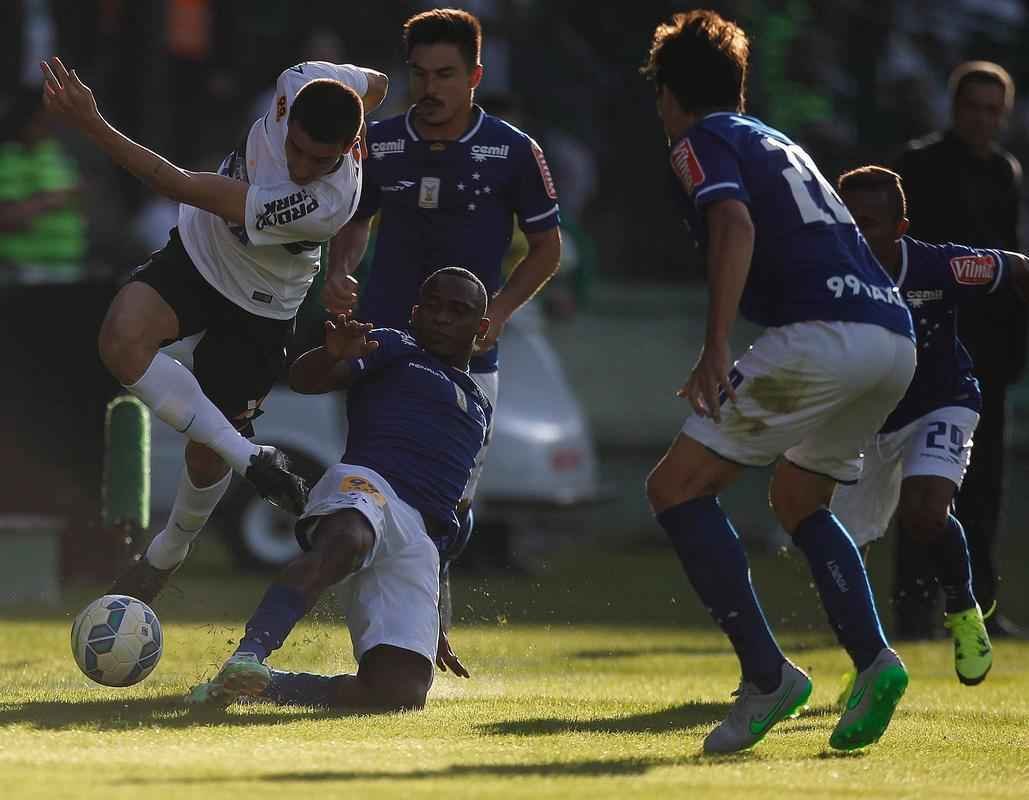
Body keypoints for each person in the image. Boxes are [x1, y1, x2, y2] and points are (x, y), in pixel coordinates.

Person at [640, 11, 917, 754]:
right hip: (891, 336)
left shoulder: (700, 140)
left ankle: (766, 675)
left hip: (823, 337)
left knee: (674, 488)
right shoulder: (774, 136)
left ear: (670, 94)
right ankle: (872, 658)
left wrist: (716, 344)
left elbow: (732, 225)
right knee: (798, 496)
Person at [39, 55, 388, 600]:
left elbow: (176, 183)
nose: (299, 165)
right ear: (289, 108)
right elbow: (380, 84)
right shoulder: (302, 79)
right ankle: (252, 456)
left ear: (344, 152)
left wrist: (92, 122)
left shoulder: (322, 203)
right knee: (120, 339)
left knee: (205, 456)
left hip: (263, 304)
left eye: (319, 159)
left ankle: (168, 552)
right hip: (199, 256)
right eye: (295, 147)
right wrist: (363, 113)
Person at [186, 267, 492, 712]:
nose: (442, 318)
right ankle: (249, 653)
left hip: (420, 535)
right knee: (348, 538)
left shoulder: (481, 407)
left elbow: (456, 511)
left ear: (481, 327)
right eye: (433, 306)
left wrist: (432, 614)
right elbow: (307, 379)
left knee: (398, 694)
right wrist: (331, 356)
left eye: (458, 311)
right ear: (415, 312)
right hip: (370, 485)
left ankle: (260, 686)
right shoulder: (394, 346)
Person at [328, 8, 561, 576]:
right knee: (366, 484)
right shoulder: (376, 144)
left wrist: (499, 313)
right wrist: (341, 269)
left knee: (449, 502)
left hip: (468, 354)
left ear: (475, 76)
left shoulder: (512, 150)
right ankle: (384, 625)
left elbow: (547, 248)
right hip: (382, 341)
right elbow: (357, 221)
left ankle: (430, 617)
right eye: (420, 73)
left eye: (445, 74)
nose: (429, 88)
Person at [832, 166, 1029, 686]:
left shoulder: (937, 265)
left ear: (900, 229)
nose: (853, 233)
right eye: (844, 220)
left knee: (925, 511)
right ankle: (871, 662)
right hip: (864, 422)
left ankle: (965, 613)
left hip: (941, 403)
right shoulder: (823, 274)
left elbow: (1017, 268)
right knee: (837, 550)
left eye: (866, 223)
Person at [894, 61, 1025, 639]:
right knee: (920, 480)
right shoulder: (918, 165)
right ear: (953, 107)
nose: (982, 119)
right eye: (973, 107)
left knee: (986, 483)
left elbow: (1011, 258)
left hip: (989, 353)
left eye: (992, 109)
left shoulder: (1004, 172)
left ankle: (981, 607)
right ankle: (914, 607)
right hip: (929, 344)